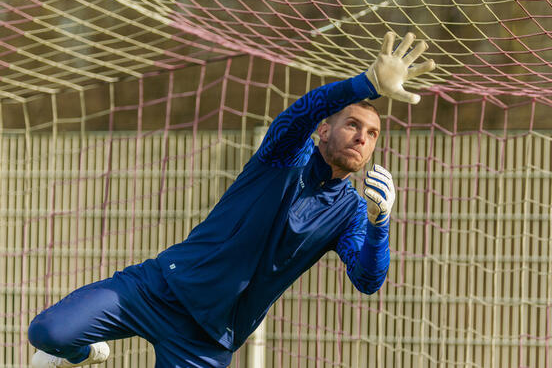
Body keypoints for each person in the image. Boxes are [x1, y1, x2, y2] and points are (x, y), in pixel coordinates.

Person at [27, 32, 436, 368]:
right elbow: (302, 112)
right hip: (160, 287)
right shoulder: (286, 156)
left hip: (207, 339)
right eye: (352, 123)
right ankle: (85, 354)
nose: (362, 136)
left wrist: (379, 224)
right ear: (323, 132)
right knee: (47, 333)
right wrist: (366, 83)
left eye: (372, 133)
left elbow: (368, 280)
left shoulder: (349, 213)